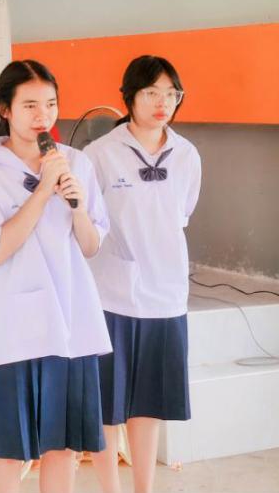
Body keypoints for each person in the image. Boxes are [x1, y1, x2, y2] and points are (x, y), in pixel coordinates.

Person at [0, 59, 112, 493]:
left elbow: (91, 245)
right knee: (8, 450)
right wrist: (44, 189)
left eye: (50, 104)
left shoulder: (77, 163)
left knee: (63, 447)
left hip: (72, 323)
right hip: (17, 326)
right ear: (4, 109)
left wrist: (78, 207)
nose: (42, 116)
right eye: (30, 105)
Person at [86, 55, 201, 493]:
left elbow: (181, 214)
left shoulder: (187, 155)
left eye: (171, 94)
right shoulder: (100, 154)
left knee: (148, 403)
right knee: (107, 403)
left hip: (165, 293)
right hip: (110, 294)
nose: (162, 102)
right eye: (152, 92)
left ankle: (144, 488)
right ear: (130, 97)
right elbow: (88, 221)